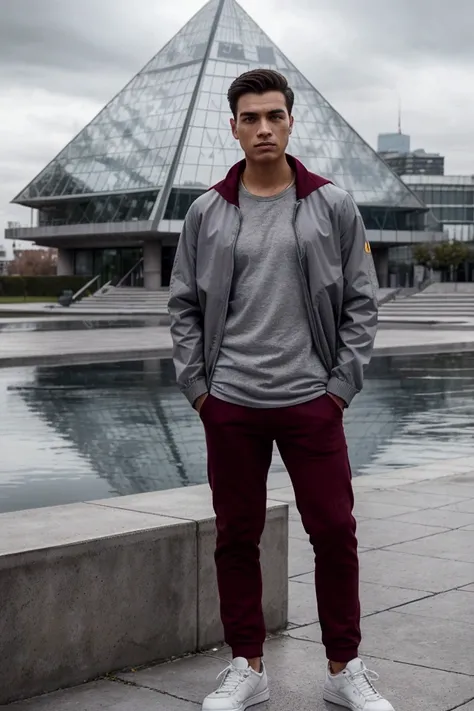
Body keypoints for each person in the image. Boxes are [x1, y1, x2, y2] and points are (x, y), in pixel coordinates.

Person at [169, 68, 394, 711]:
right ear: (233, 126)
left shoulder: (332, 204)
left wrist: (339, 389)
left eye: (274, 115)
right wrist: (200, 390)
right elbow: (183, 305)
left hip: (311, 402)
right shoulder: (207, 211)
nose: (263, 128)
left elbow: (361, 304)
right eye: (250, 117)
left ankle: (344, 667)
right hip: (231, 402)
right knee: (235, 536)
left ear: (292, 121)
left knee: (335, 532)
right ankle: (247, 665)